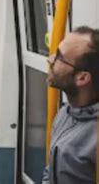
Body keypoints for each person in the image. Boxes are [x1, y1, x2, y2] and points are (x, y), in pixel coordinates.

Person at [42, 27, 99, 184]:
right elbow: (50, 169)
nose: (50, 59)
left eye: (59, 58)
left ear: (82, 78)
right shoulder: (65, 113)